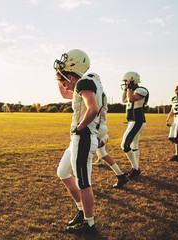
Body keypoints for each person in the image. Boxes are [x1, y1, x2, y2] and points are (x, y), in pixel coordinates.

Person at [54, 49, 102, 235]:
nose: (63, 61)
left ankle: (89, 224)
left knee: (83, 181)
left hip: (82, 139)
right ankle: (81, 212)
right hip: (79, 140)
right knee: (63, 172)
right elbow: (65, 93)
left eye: (66, 60)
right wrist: (58, 78)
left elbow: (93, 109)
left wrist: (79, 128)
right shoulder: (84, 84)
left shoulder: (85, 81)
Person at [87, 73, 130, 188]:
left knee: (85, 156)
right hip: (101, 126)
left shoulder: (96, 93)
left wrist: (95, 127)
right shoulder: (101, 93)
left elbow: (97, 111)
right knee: (102, 154)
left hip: (96, 127)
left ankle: (85, 185)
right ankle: (120, 175)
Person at [121, 72, 149, 179]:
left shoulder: (142, 90)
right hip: (132, 121)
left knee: (124, 145)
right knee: (134, 146)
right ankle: (135, 168)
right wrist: (126, 89)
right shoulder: (131, 91)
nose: (125, 83)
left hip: (137, 121)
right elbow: (124, 100)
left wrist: (129, 89)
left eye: (126, 81)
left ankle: (136, 169)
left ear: (133, 81)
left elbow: (131, 99)